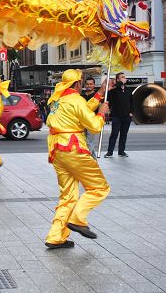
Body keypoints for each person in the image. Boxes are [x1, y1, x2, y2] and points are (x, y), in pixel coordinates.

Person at [45, 69, 110, 249]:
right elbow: (95, 126)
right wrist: (102, 113)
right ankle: (77, 219)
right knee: (99, 187)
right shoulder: (76, 99)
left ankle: (55, 236)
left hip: (58, 151)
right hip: (73, 149)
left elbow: (80, 111)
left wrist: (100, 94)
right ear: (78, 84)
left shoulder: (58, 100)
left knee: (67, 196)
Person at [104, 72, 133, 158]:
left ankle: (121, 151)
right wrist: (119, 83)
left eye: (125, 77)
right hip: (116, 116)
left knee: (124, 134)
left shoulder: (128, 90)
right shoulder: (114, 90)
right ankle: (110, 152)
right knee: (114, 134)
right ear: (118, 80)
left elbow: (132, 102)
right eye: (122, 77)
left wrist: (131, 113)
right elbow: (111, 95)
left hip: (126, 116)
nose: (124, 78)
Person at [81, 76, 102, 158]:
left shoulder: (97, 96)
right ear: (85, 85)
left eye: (91, 84)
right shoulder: (81, 96)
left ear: (94, 85)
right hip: (82, 121)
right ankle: (94, 160)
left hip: (92, 122)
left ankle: (87, 160)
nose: (89, 85)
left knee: (89, 142)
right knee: (85, 141)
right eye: (87, 84)